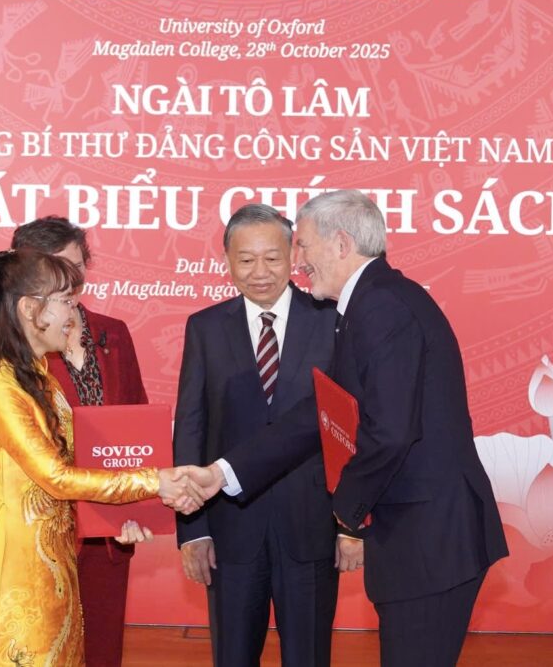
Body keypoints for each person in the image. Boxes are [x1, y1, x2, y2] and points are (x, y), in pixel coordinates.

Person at [192, 191, 508, 666]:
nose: (298, 261)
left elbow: (391, 432)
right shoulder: (369, 304)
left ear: (341, 244)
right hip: (419, 537)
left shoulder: (381, 306)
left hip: (431, 541)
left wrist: (342, 510)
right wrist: (223, 473)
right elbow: (318, 414)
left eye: (303, 245)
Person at [0, 248, 200, 667]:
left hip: (54, 556)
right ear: (30, 309)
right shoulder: (3, 387)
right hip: (16, 560)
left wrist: (121, 518)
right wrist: (153, 481)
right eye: (67, 302)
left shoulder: (40, 379)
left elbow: (79, 467)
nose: (75, 313)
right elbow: (56, 477)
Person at [173, 204, 351, 667]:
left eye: (272, 258)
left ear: (293, 256)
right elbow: (191, 427)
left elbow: (347, 430)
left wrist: (350, 524)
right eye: (246, 259)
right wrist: (192, 531)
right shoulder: (205, 328)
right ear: (226, 260)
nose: (259, 272)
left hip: (312, 525)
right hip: (230, 531)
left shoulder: (331, 320)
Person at [12, 216, 147, 667]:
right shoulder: (12, 347)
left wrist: (137, 504)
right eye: (53, 269)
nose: (68, 282)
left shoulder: (114, 333)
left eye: (75, 267)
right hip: (41, 528)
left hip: (109, 528)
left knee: (101, 648)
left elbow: (137, 426)